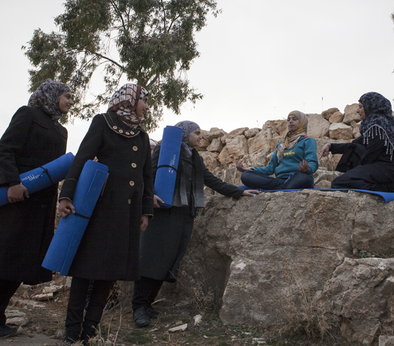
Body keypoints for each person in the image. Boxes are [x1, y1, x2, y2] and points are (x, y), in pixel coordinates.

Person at [0, 79, 73, 338]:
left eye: (72, 98)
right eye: (66, 96)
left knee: (19, 263)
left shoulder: (61, 131)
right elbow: (5, 150)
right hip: (13, 199)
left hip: (39, 204)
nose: (70, 101)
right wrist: (12, 182)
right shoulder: (27, 115)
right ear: (51, 95)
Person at [131, 121, 260, 328]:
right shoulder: (167, 151)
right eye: (197, 133)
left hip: (184, 215)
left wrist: (239, 191)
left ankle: (147, 304)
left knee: (167, 262)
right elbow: (148, 176)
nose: (201, 137)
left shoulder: (194, 157)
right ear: (185, 134)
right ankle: (138, 307)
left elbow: (210, 180)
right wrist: (150, 196)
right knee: (151, 259)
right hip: (163, 213)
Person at [57, 83, 154, 344]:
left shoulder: (143, 136)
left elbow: (147, 177)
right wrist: (66, 194)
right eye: (144, 100)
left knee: (110, 271)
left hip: (129, 213)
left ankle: (90, 329)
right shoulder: (103, 122)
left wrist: (146, 212)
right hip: (100, 209)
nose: (147, 106)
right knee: (86, 269)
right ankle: (71, 328)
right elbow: (82, 158)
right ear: (130, 100)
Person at [320, 91, 394, 192]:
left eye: (360, 107)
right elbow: (356, 144)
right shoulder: (378, 123)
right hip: (386, 167)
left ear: (370, 107)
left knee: (340, 182)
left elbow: (371, 154)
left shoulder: (378, 125)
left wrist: (356, 172)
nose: (357, 111)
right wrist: (331, 146)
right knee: (354, 149)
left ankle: (393, 188)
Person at [236, 110, 318, 190]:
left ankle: (277, 188)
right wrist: (250, 169)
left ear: (302, 122)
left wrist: (308, 169)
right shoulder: (281, 144)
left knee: (303, 178)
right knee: (246, 175)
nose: (290, 121)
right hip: (280, 181)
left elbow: (312, 162)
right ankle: (282, 187)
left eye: (294, 119)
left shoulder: (308, 141)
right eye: (288, 120)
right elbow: (271, 168)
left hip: (298, 178)